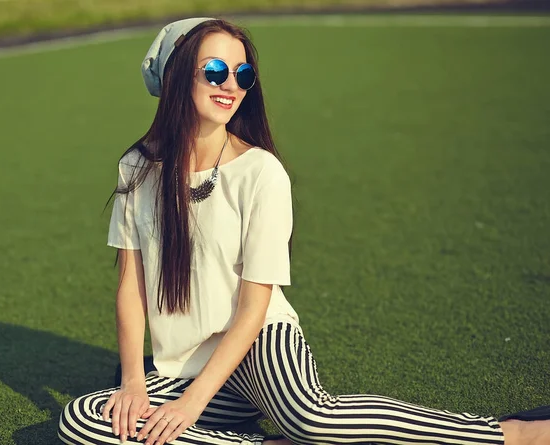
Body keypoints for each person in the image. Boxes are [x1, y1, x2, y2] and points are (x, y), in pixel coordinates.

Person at [57, 17, 550, 445]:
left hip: (259, 343)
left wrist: (188, 409)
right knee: (83, 422)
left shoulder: (261, 173)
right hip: (182, 367)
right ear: (175, 76)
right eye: (214, 70)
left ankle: (510, 434)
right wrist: (133, 383)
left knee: (310, 416)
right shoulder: (139, 168)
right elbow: (131, 286)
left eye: (241, 73)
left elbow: (254, 308)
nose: (230, 83)